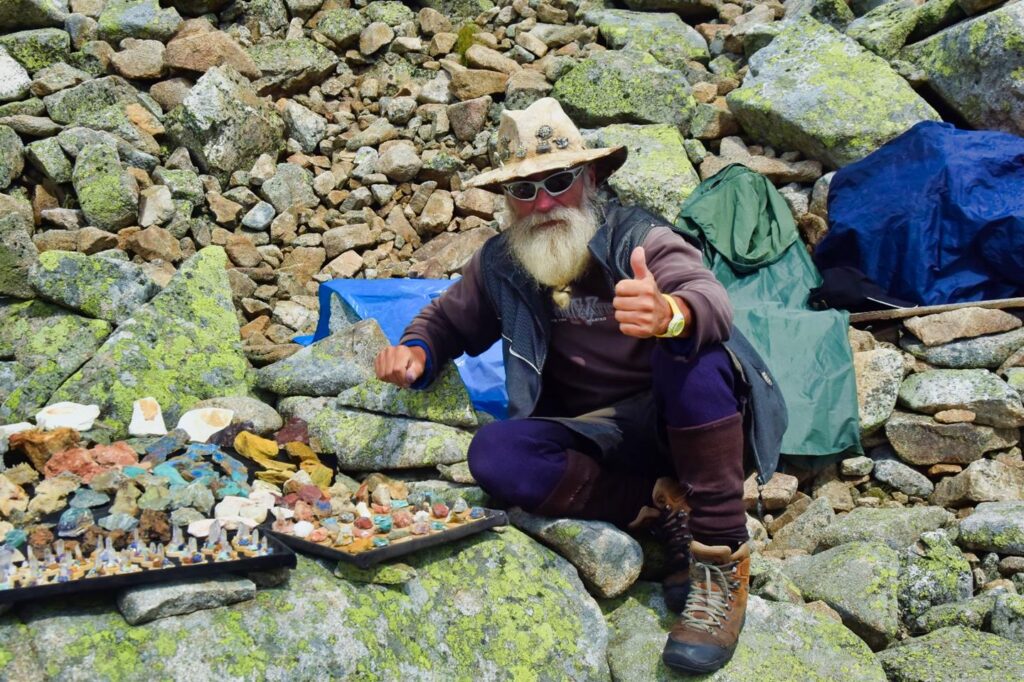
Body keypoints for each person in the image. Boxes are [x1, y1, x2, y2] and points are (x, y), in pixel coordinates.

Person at [375, 98, 753, 675]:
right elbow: (447, 322)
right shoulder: (503, 262)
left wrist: (669, 312)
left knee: (694, 353)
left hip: (681, 422)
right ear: (506, 200)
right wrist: (416, 353)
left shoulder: (638, 240)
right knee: (495, 453)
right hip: (593, 433)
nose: (544, 202)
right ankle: (660, 505)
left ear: (591, 176)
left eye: (558, 180)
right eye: (524, 190)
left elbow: (712, 301)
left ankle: (719, 555)